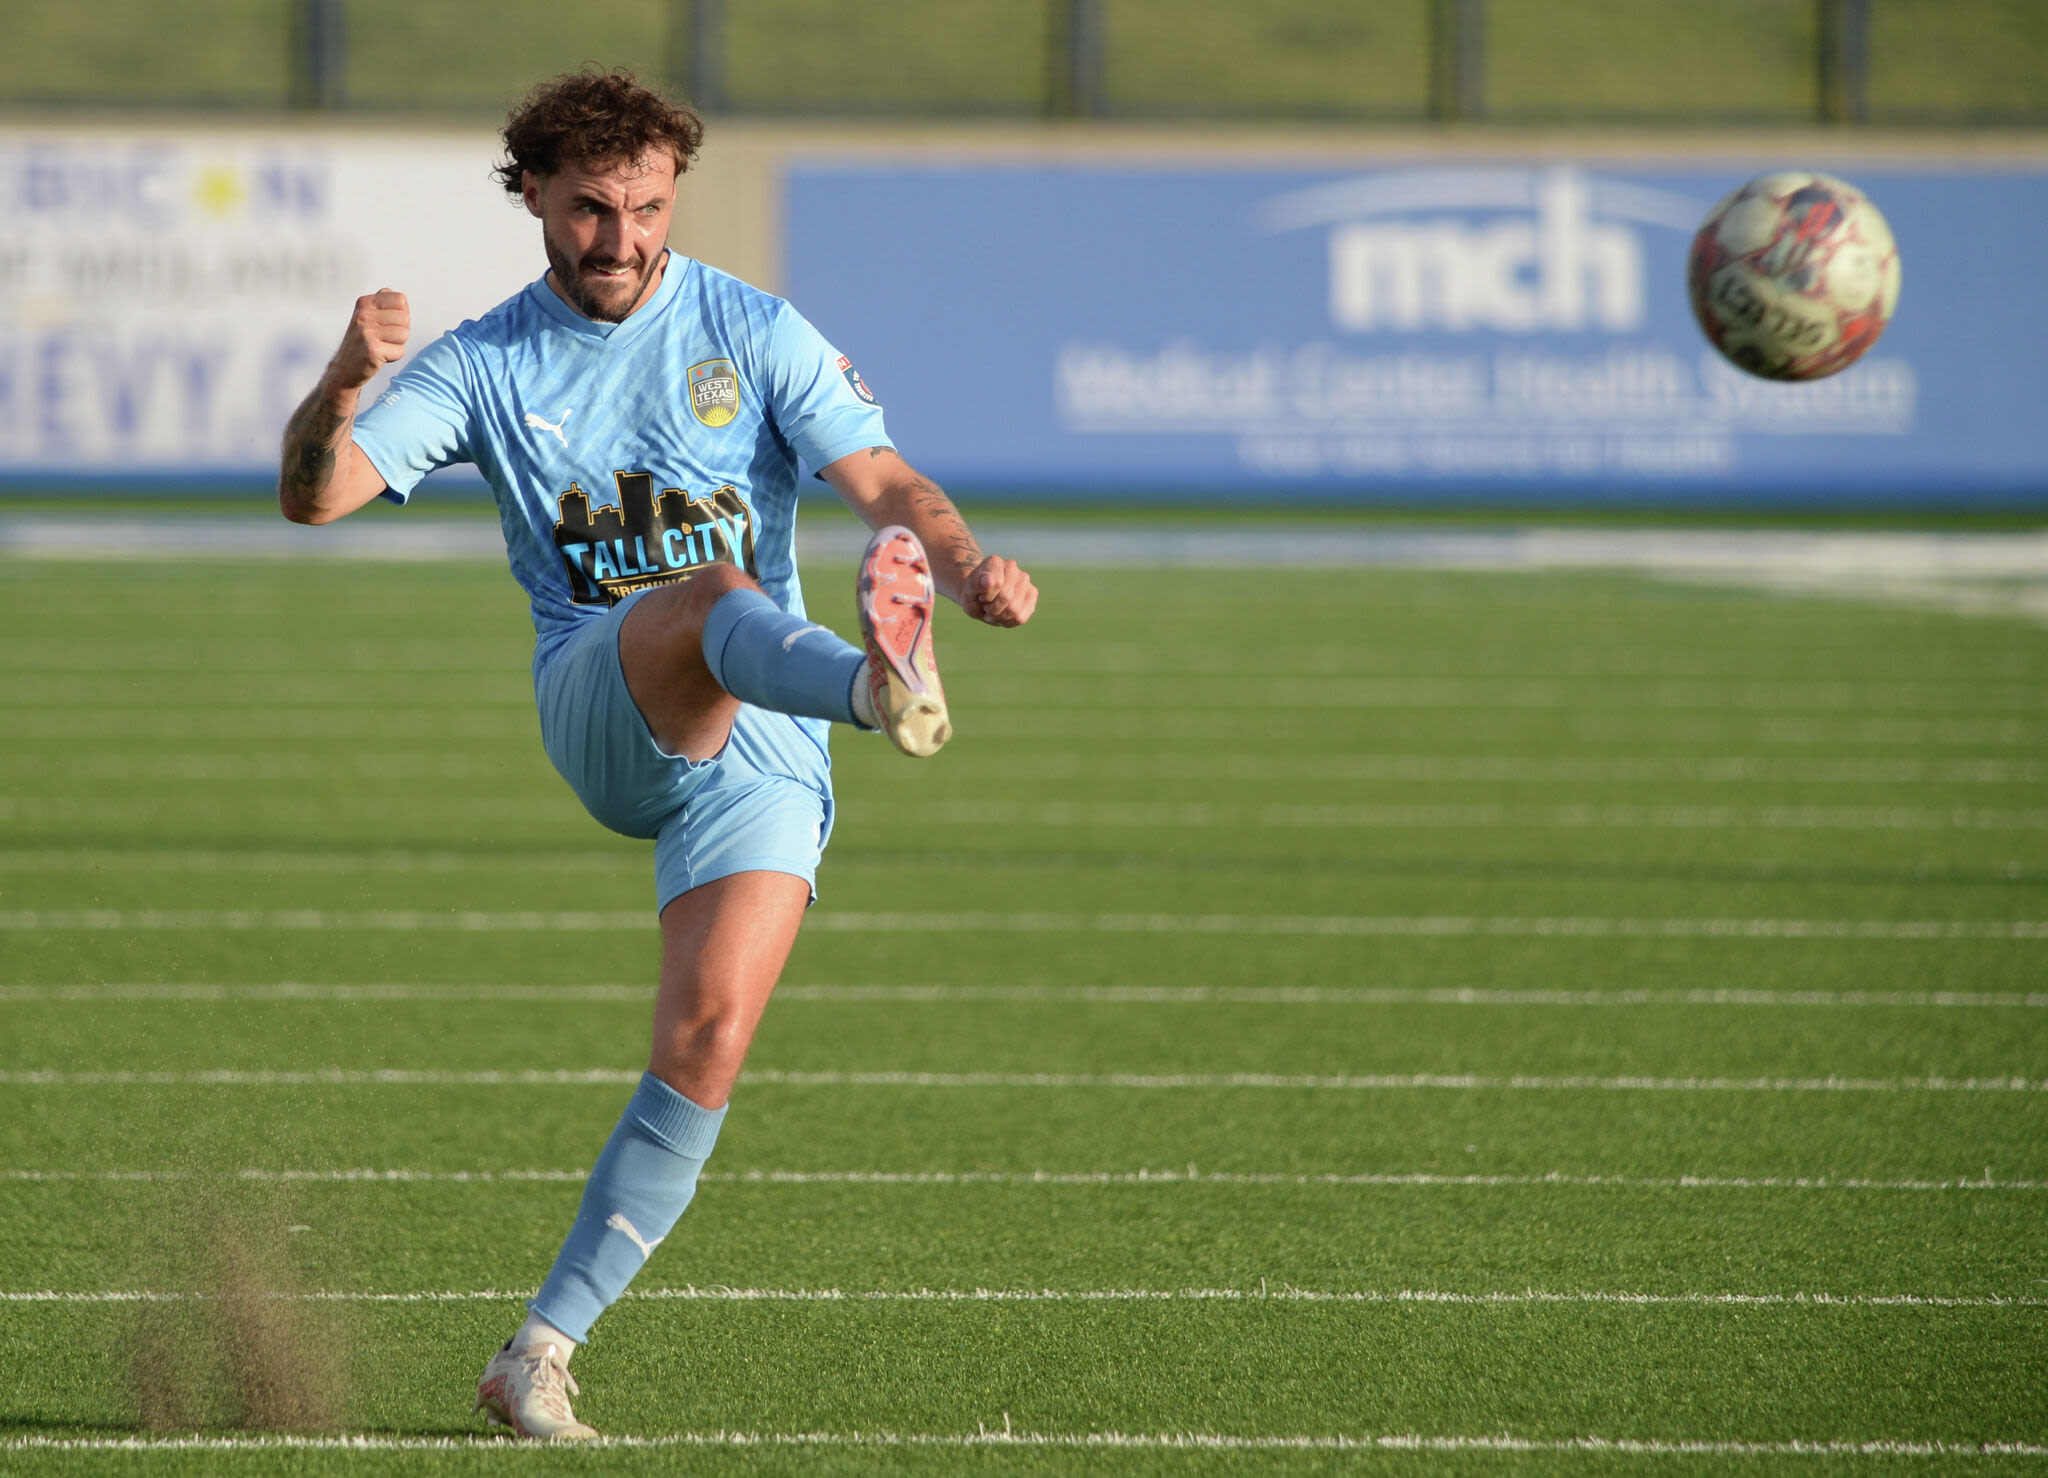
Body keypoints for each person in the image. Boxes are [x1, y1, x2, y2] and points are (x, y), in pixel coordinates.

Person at [277, 68, 1037, 1440]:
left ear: (671, 195)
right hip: (604, 695)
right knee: (712, 596)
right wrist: (341, 385)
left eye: (643, 206)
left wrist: (967, 561)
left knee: (706, 1038)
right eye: (587, 210)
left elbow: (889, 488)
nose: (619, 238)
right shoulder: (487, 362)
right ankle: (879, 688)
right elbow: (314, 495)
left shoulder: (750, 327)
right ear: (535, 203)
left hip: (765, 745)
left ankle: (539, 1351)